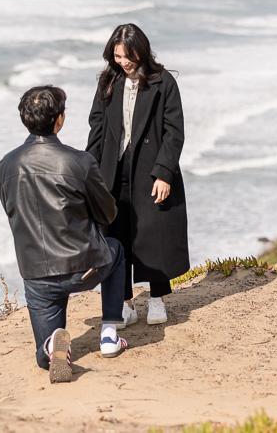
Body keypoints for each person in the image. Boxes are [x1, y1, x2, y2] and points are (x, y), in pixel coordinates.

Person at [0, 85, 129, 384]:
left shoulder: (6, 165)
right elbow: (108, 214)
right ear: (59, 119)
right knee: (116, 249)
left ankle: (49, 346)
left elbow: (11, 209)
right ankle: (109, 334)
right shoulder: (79, 162)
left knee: (44, 358)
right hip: (84, 267)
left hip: (37, 277)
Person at [86, 24, 190, 327]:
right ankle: (126, 302)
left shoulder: (163, 81)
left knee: (152, 234)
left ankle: (157, 299)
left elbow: (174, 132)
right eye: (118, 56)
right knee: (117, 238)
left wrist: (164, 173)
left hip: (151, 169)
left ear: (141, 52)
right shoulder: (108, 80)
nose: (123, 62)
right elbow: (97, 128)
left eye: (128, 56)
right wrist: (89, 172)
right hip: (112, 170)